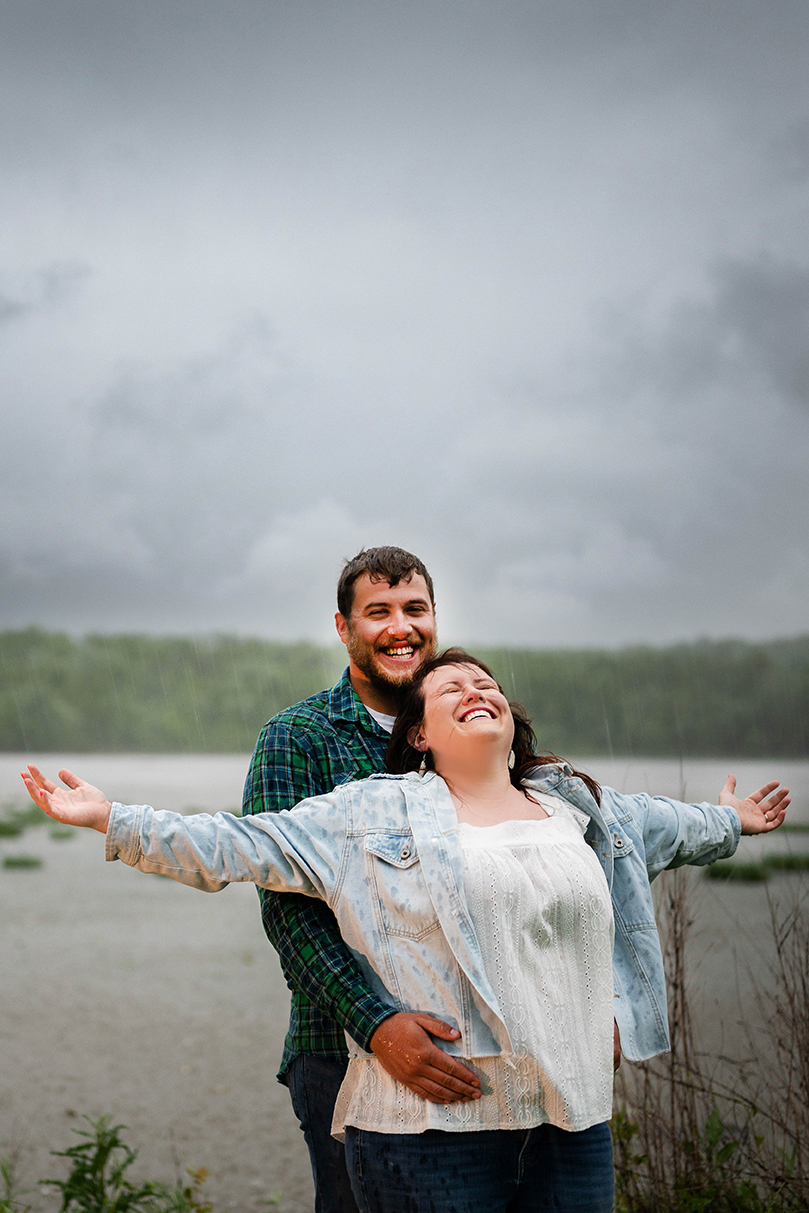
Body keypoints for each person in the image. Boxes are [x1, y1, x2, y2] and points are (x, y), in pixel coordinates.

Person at [23, 649, 789, 1213]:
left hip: (571, 1118)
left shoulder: (582, 808)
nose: (475, 689)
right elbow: (239, 843)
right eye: (450, 687)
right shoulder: (369, 810)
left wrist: (734, 821)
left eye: (485, 683)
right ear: (418, 733)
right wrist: (112, 818)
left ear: (508, 720)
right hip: (434, 1127)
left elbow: (675, 825)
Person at [241, 547, 480, 1213]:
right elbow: (289, 913)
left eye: (414, 608)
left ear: (434, 618)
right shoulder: (297, 737)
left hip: (474, 1043)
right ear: (344, 628)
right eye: (378, 612)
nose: (400, 626)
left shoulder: (472, 728)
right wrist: (377, 1024)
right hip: (339, 1050)